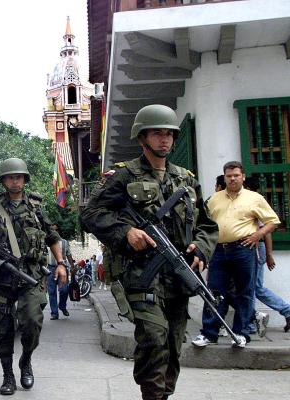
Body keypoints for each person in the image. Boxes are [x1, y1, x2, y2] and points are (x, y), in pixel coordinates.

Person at [81, 104, 218, 400]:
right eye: (157, 133)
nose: (165, 139)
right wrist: (125, 232)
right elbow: (90, 213)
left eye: (169, 134)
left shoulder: (186, 180)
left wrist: (201, 249)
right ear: (142, 137)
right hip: (142, 276)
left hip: (178, 277)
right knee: (154, 339)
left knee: (172, 343)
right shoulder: (124, 177)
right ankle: (153, 396)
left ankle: (161, 394)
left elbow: (208, 225)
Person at [0, 157, 67, 395]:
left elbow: (51, 236)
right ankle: (7, 375)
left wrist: (61, 263)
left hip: (32, 274)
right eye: (10, 177)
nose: (15, 181)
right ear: (3, 181)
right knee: (3, 329)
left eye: (19, 177)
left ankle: (26, 360)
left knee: (32, 320)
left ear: (24, 179)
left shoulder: (35, 206)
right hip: (2, 277)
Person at [192, 161, 280, 349]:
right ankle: (209, 333)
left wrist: (258, 235)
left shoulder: (254, 198)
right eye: (229, 176)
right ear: (224, 178)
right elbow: (203, 224)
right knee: (214, 292)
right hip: (218, 251)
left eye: (236, 175)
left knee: (245, 292)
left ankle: (241, 334)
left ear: (243, 177)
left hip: (243, 249)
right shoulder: (214, 199)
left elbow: (273, 221)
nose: (232, 179)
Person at [243, 177, 290, 335]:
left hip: (257, 248)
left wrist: (269, 254)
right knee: (253, 287)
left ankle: (286, 311)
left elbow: (266, 232)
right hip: (256, 248)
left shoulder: (255, 204)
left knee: (255, 287)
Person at [46, 225, 75, 319]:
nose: (53, 231)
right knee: (51, 292)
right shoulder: (46, 242)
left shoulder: (64, 242)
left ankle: (62, 306)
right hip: (50, 269)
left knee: (64, 290)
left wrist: (72, 267)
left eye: (55, 230)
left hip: (63, 268)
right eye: (52, 229)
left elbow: (69, 254)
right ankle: (54, 313)